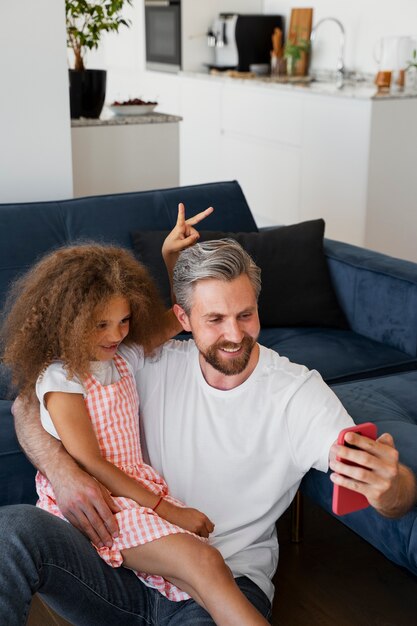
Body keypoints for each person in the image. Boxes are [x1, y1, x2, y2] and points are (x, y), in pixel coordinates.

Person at [1, 235, 416, 626]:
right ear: (183, 318)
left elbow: (392, 495)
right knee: (13, 531)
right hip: (115, 570)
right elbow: (28, 402)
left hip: (220, 586)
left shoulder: (297, 394)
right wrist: (64, 472)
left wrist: (392, 486)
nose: (234, 335)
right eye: (215, 319)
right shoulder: (144, 361)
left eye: (245, 315)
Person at [0, 208, 270, 626]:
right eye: (100, 324)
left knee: (207, 570)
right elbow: (90, 463)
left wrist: (170, 261)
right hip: (107, 501)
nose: (115, 334)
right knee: (203, 563)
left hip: (133, 492)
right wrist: (169, 510)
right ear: (66, 322)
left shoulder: (120, 358)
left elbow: (178, 319)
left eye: (124, 321)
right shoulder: (61, 377)